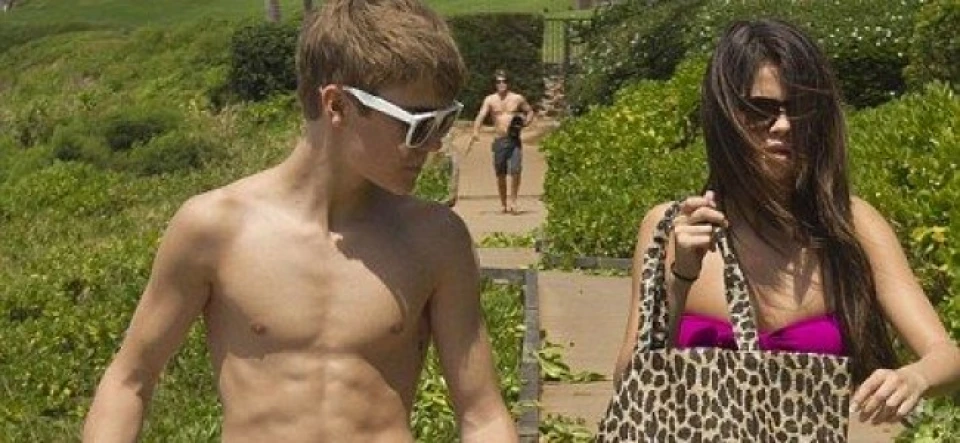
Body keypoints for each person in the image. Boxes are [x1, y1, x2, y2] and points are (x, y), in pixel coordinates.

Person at [83, 1, 518, 442]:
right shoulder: (216, 229)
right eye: (418, 125)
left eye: (445, 122)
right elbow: (129, 380)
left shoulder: (435, 238)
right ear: (337, 105)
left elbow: (481, 413)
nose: (434, 145)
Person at [614, 19, 960, 426]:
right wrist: (679, 279)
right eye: (760, 110)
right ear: (725, 116)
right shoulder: (673, 227)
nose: (783, 126)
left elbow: (946, 356)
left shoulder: (851, 225)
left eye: (801, 109)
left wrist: (914, 377)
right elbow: (629, 384)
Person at [471, 70, 535, 214]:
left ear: (508, 82)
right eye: (498, 82)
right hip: (499, 140)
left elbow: (530, 111)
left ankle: (513, 201)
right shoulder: (490, 100)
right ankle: (503, 203)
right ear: (495, 84)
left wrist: (526, 122)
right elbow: (481, 115)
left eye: (504, 81)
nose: (501, 84)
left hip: (514, 139)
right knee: (500, 173)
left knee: (516, 170)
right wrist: (476, 131)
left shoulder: (517, 98)